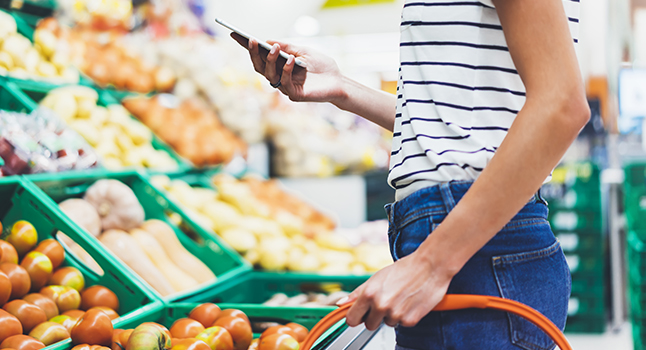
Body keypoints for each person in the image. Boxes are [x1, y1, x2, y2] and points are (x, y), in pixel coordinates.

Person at [236, 0, 588, 348]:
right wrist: (342, 88)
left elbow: (561, 105)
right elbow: (453, 127)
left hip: (473, 247)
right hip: (472, 243)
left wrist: (432, 264)